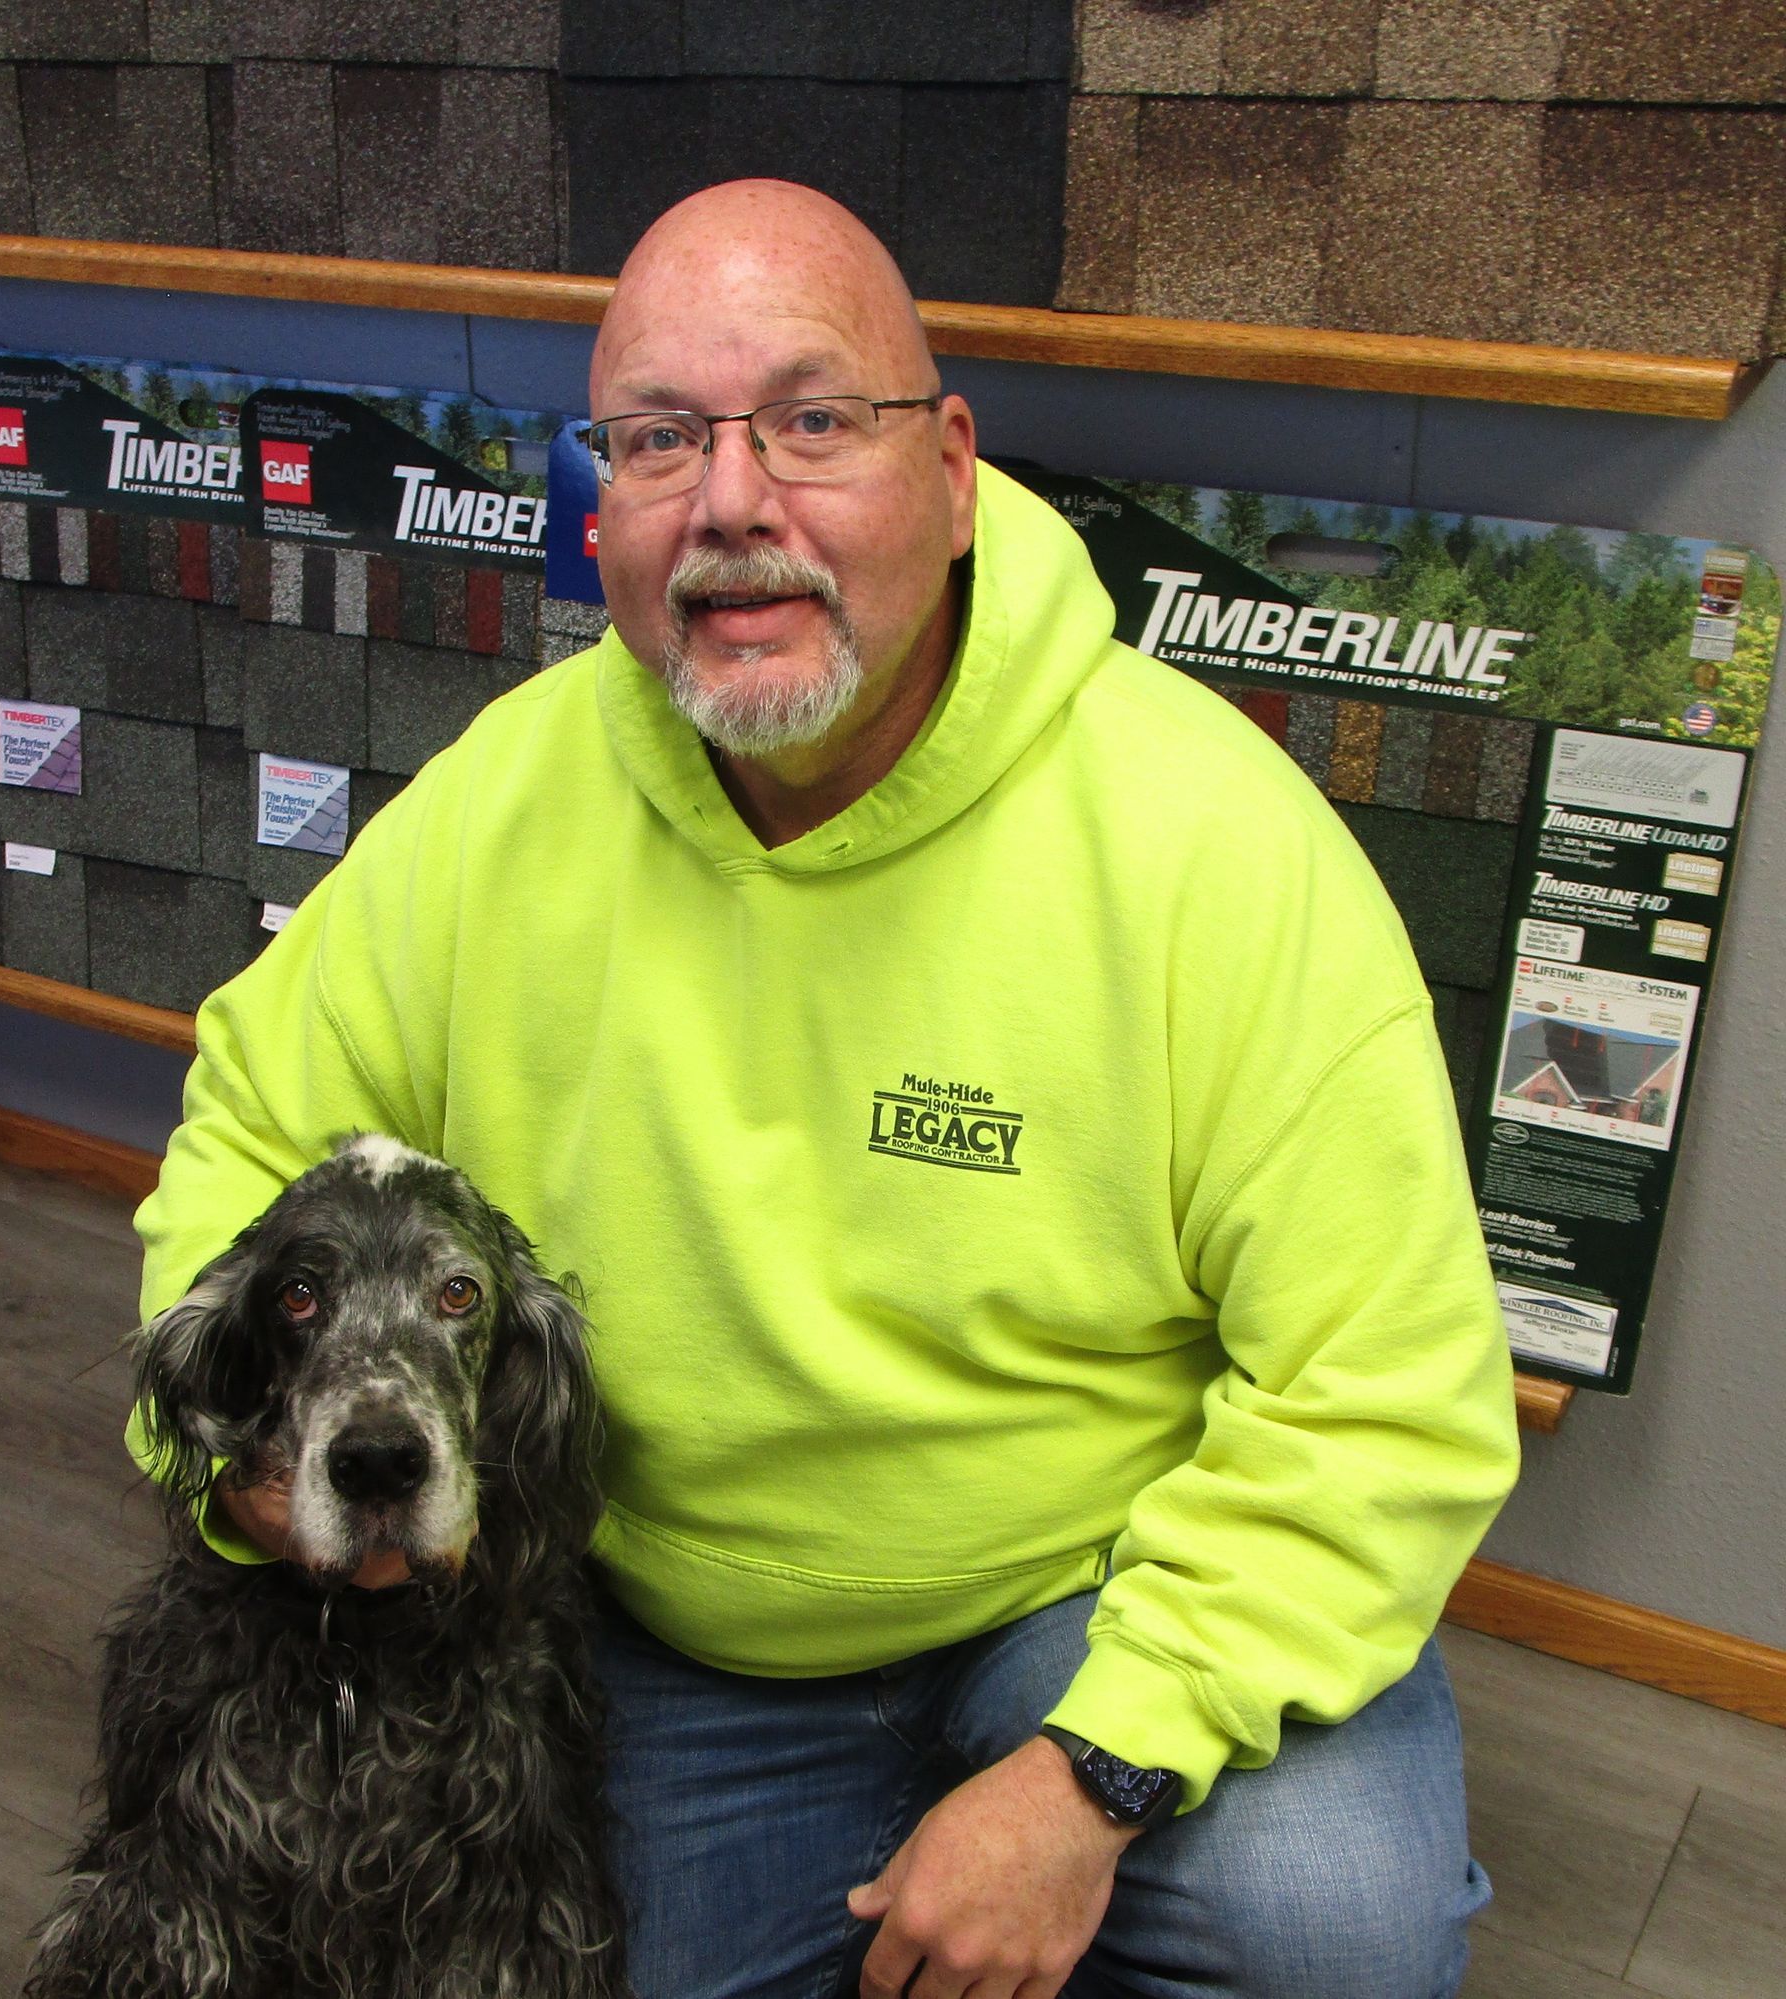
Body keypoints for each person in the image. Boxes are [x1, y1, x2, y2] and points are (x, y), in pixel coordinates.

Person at [131, 180, 1520, 1998]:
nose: (728, 504)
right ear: (603, 502)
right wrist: (221, 1452)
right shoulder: (505, 802)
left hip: (1093, 1583)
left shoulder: (1217, 850)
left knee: (1333, 1933)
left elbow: (1390, 1389)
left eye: (810, 421)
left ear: (951, 470)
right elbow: (251, 1129)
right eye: (656, 440)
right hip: (673, 1629)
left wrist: (1096, 1771)